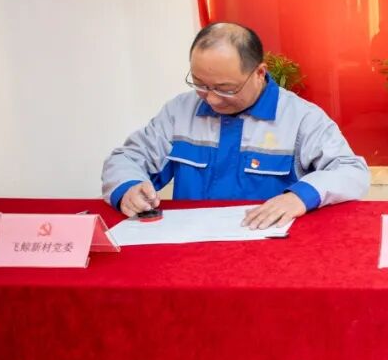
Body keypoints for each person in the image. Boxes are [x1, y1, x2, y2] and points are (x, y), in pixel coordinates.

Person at [102, 22, 370, 229]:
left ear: (259, 73)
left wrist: (299, 197)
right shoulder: (179, 112)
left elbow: (351, 171)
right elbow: (126, 158)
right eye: (200, 84)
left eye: (226, 89)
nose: (212, 99)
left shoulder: (300, 117)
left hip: (271, 246)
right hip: (192, 244)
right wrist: (129, 187)